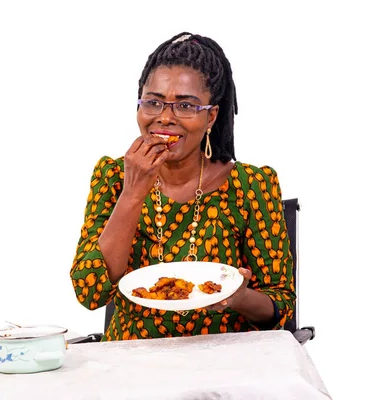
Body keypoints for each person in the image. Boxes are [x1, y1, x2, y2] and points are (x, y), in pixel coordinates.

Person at [69, 32, 295, 341]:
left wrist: (238, 297)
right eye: (153, 102)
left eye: (185, 106)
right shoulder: (112, 176)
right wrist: (133, 192)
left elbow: (282, 306)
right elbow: (90, 292)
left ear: (211, 116)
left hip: (225, 364)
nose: (165, 118)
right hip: (132, 365)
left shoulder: (252, 185)